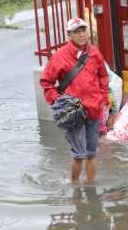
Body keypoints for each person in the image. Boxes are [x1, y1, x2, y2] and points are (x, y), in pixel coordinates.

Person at [40, 18, 109, 185]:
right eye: (77, 32)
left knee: (92, 153)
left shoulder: (94, 53)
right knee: (78, 154)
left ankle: (91, 186)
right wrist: (58, 102)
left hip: (93, 109)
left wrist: (102, 97)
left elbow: (103, 75)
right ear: (69, 35)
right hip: (74, 112)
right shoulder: (59, 57)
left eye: (83, 30)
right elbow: (46, 82)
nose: (81, 34)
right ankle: (74, 187)